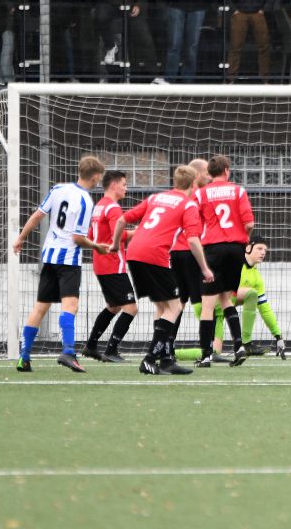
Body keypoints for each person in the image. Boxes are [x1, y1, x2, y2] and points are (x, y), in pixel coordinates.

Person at [111, 165, 214, 376]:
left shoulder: (155, 198)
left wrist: (114, 244)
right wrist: (205, 268)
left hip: (134, 253)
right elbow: (193, 240)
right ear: (193, 183)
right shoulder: (188, 205)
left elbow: (122, 220)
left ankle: (166, 360)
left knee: (162, 306)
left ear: (175, 181)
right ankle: (150, 359)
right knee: (175, 307)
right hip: (155, 255)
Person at [11, 156, 110, 373]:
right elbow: (77, 238)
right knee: (70, 306)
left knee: (40, 307)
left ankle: (24, 357)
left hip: (49, 257)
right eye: (99, 176)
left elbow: (37, 216)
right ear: (95, 176)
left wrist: (21, 238)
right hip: (68, 260)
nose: (99, 180)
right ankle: (68, 352)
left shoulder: (58, 189)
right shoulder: (85, 201)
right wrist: (97, 247)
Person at [193, 155, 254, 367]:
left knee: (208, 305)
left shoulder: (201, 194)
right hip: (236, 249)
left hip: (213, 249)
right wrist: (243, 240)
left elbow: (194, 222)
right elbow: (249, 224)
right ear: (226, 170)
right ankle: (239, 346)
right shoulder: (239, 191)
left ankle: (206, 355)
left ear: (210, 173)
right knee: (226, 299)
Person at [81, 170, 136, 362]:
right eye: (124, 184)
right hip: (113, 264)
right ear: (114, 185)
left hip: (100, 263)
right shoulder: (113, 208)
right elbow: (117, 235)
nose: (126, 188)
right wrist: (137, 232)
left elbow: (90, 235)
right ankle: (111, 350)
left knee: (114, 306)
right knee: (131, 308)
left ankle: (91, 345)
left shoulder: (99, 206)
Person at [169, 159, 213, 360]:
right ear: (198, 175)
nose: (210, 177)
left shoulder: (176, 195)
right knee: (204, 302)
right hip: (190, 252)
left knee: (178, 302)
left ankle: (167, 346)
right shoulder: (198, 196)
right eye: (207, 173)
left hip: (174, 253)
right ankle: (208, 349)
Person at [236, 237, 285, 358]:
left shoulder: (257, 278)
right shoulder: (234, 263)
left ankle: (246, 345)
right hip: (207, 305)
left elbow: (264, 308)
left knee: (210, 354)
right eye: (259, 248)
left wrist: (278, 336)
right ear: (248, 248)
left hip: (220, 313)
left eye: (265, 250)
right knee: (251, 294)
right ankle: (246, 344)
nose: (263, 252)